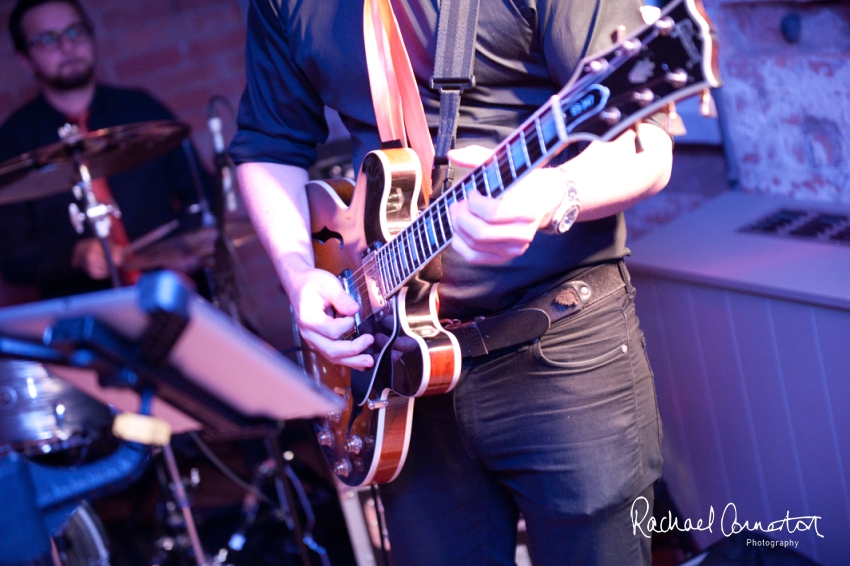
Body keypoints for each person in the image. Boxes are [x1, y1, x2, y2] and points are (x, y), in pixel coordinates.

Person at [230, 1, 671, 564]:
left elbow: (648, 149)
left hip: (561, 347)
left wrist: (555, 194)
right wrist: (297, 272)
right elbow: (268, 144)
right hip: (400, 374)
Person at [0, 0, 211, 299]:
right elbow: (12, 260)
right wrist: (73, 255)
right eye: (47, 39)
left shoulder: (140, 109)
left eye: (75, 32)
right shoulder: (13, 141)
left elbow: (201, 193)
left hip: (174, 289)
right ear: (25, 59)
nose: (67, 46)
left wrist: (185, 251)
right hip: (87, 311)